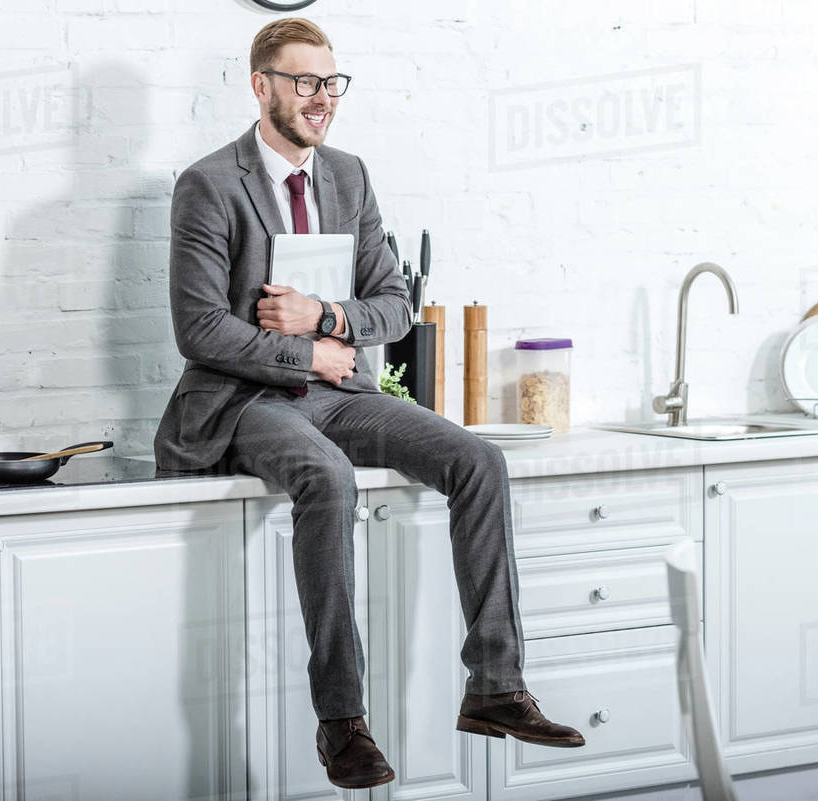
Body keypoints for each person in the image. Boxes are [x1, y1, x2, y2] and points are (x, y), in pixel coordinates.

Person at [153, 17, 583, 791]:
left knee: (478, 460)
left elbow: (395, 304)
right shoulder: (210, 183)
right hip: (248, 402)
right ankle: (342, 720)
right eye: (304, 82)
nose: (322, 99)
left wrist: (324, 318)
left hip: (342, 392)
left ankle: (494, 684)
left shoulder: (349, 176)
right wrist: (300, 353)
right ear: (262, 86)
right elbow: (198, 328)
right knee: (328, 478)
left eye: (331, 82)